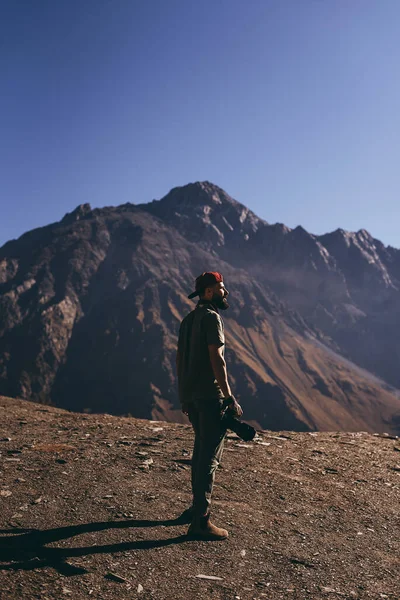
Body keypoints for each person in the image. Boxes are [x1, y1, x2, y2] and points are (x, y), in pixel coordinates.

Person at [176, 271, 243, 540]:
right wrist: (228, 397)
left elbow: (180, 360)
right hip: (211, 397)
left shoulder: (188, 320)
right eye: (221, 288)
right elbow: (217, 358)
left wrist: (184, 396)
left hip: (192, 397)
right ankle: (201, 521)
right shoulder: (212, 318)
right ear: (208, 292)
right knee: (209, 460)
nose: (225, 292)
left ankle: (195, 509)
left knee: (200, 454)